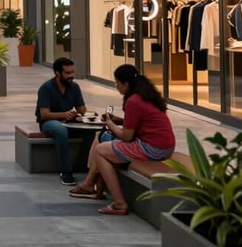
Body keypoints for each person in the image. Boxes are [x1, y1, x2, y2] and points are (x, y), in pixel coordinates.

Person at [69, 64, 175, 216]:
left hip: (152, 149)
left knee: (100, 150)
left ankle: (119, 203)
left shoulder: (133, 101)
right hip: (163, 147)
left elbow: (126, 136)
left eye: (117, 82)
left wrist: (110, 123)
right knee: (101, 139)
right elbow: (139, 123)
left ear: (126, 84)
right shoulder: (146, 96)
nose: (116, 85)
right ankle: (92, 187)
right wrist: (117, 120)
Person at [35, 57, 96, 186]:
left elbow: (82, 109)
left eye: (72, 72)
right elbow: (44, 114)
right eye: (67, 73)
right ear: (57, 73)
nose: (71, 76)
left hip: (69, 121)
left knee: (91, 130)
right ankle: (66, 171)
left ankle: (82, 165)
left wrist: (90, 115)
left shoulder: (74, 87)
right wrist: (64, 114)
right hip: (49, 122)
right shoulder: (46, 88)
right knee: (60, 130)